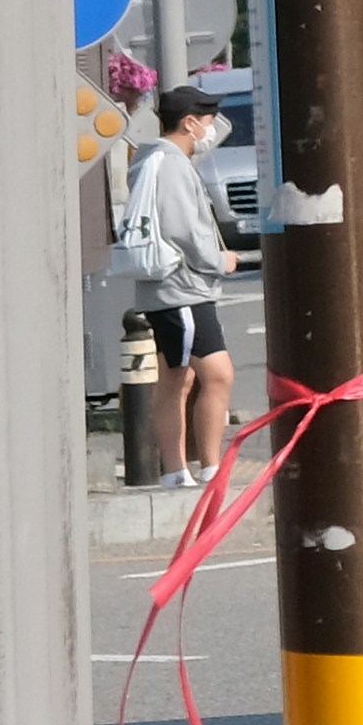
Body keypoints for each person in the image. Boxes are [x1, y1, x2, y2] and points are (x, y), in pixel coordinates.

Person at [125, 89, 240, 482]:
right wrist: (216, 260)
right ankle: (208, 467)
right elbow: (182, 228)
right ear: (189, 122)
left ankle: (178, 471)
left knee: (179, 376)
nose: (210, 130)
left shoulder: (158, 160)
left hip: (174, 288)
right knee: (217, 374)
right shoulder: (170, 163)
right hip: (182, 288)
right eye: (207, 122)